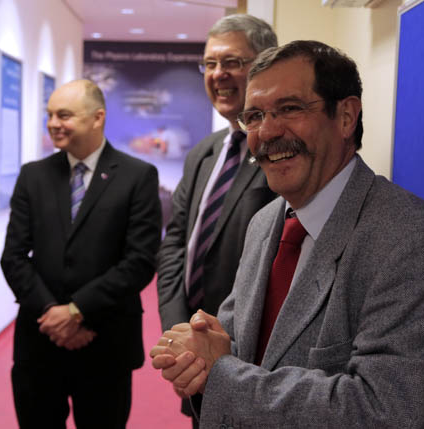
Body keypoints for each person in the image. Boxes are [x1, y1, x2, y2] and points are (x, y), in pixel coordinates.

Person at [150, 40, 424, 427]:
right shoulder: (266, 222)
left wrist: (218, 374)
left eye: (289, 109)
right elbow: (236, 348)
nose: (266, 132)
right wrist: (198, 353)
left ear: (347, 116)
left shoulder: (410, 240)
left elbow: (383, 411)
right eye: (253, 116)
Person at [0, 79, 161, 428]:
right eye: (50, 115)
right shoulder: (33, 176)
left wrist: (77, 312)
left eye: (64, 115)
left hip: (106, 343)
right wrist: (53, 314)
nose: (54, 123)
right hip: (40, 342)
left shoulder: (138, 176)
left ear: (97, 118)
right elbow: (13, 256)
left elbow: (140, 261)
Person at [156, 13, 278, 427]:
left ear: (265, 64)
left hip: (254, 360)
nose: (218, 74)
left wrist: (217, 346)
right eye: (209, 64)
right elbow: (176, 244)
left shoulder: (282, 152)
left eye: (232, 62)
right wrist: (179, 334)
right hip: (194, 355)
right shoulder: (204, 153)